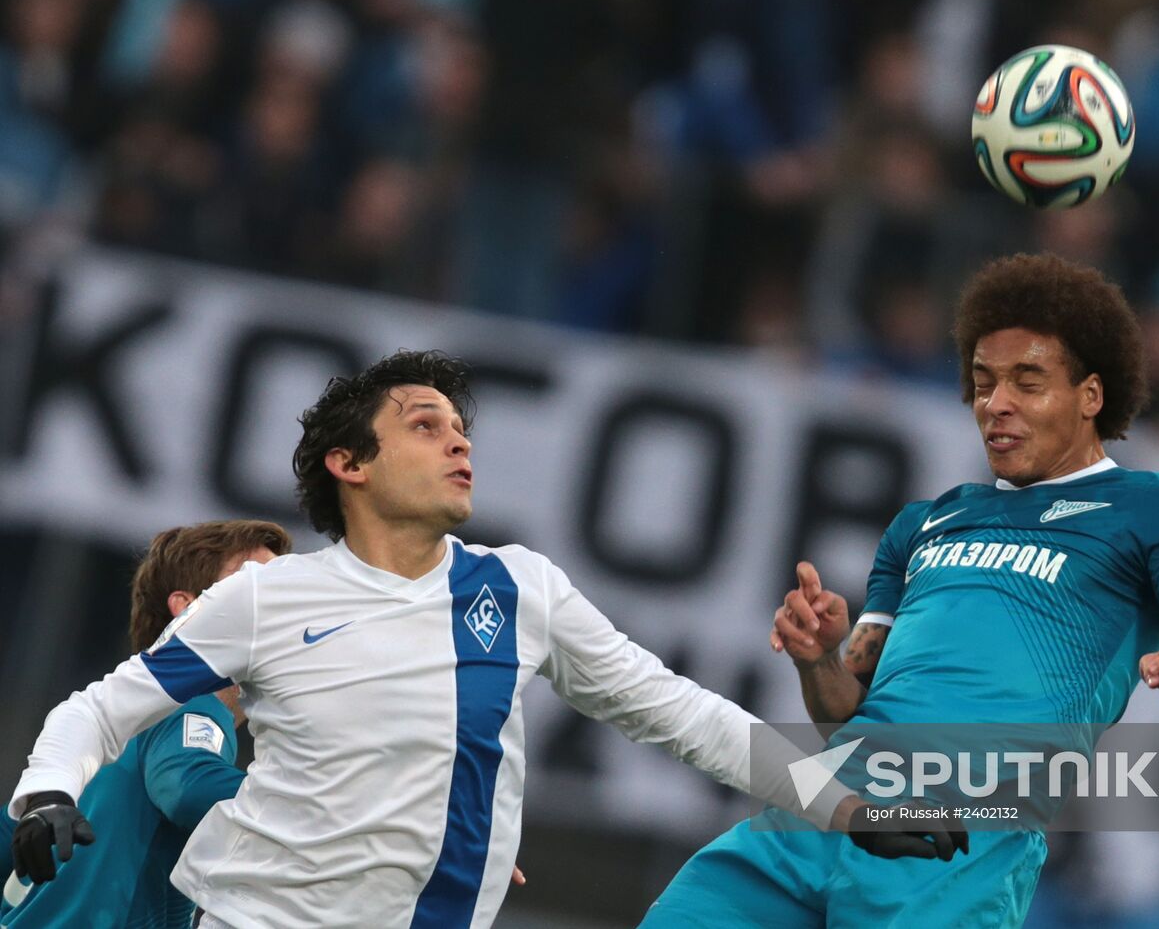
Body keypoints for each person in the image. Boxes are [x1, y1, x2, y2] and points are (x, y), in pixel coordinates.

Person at [8, 350, 944, 929]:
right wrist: (45, 792)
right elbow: (100, 707)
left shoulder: (520, 587)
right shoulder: (266, 601)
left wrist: (846, 805)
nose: (459, 443)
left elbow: (681, 714)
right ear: (351, 465)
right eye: (426, 426)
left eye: (462, 428)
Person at [642, 253, 1159, 927]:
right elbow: (845, 712)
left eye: (1028, 381)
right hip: (818, 807)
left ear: (1091, 396)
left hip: (962, 839)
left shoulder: (1157, 508)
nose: (997, 404)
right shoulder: (924, 523)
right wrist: (818, 657)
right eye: (984, 382)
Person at [1, 520, 290, 927]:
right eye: (258, 585)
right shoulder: (193, 707)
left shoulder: (97, 744)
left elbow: (8, 836)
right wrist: (327, 805)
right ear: (192, 610)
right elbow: (189, 787)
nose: (287, 607)